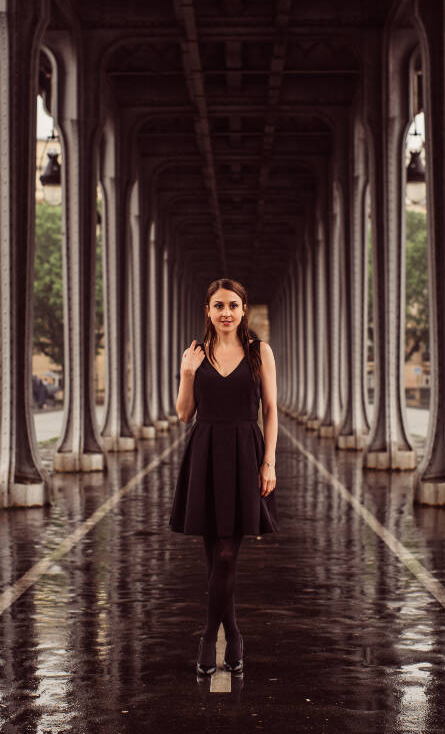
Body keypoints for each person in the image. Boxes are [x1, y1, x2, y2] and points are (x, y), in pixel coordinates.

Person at [169, 278, 279, 677]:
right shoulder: (195, 354)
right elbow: (184, 415)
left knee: (229, 553)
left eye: (233, 305)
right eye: (218, 306)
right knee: (212, 554)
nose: (226, 312)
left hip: (245, 452)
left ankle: (210, 635)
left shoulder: (258, 351)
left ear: (244, 309)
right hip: (205, 453)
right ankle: (232, 633)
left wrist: (268, 462)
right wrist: (185, 375)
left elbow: (271, 409)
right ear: (208, 311)